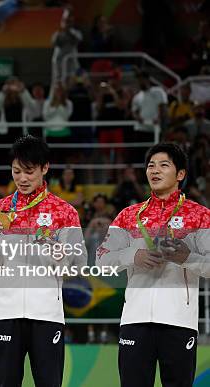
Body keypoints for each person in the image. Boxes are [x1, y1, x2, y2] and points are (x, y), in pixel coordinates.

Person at [0, 135, 86, 387]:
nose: (22, 178)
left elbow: (79, 264)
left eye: (29, 171)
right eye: (16, 171)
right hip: (6, 313)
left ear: (44, 168)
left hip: (47, 315)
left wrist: (60, 253)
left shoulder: (64, 212)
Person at [96, 143, 210, 387]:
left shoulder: (200, 216)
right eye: (150, 165)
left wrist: (187, 258)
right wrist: (132, 255)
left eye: (163, 165)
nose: (155, 170)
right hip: (135, 321)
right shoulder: (129, 215)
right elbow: (102, 260)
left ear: (180, 174)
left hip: (178, 322)